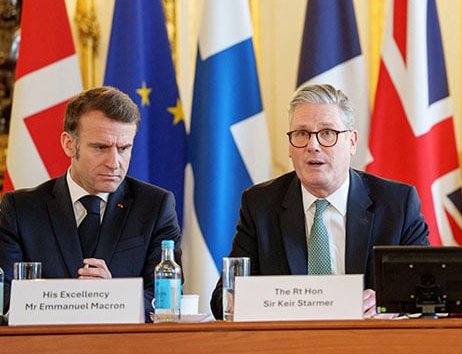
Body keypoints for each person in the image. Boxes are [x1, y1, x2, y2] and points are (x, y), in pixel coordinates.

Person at [210, 84, 430, 319]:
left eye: (327, 133)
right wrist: (235, 300)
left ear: (352, 141)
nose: (312, 146)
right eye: (302, 134)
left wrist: (391, 301)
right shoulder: (260, 205)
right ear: (290, 146)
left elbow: (426, 289)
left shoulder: (396, 204)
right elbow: (223, 296)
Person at [0, 86, 182, 319]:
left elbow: (167, 298)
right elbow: (3, 293)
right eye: (101, 148)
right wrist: (76, 302)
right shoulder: (20, 209)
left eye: (124, 148)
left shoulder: (156, 207)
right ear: (69, 144)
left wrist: (114, 296)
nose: (114, 162)